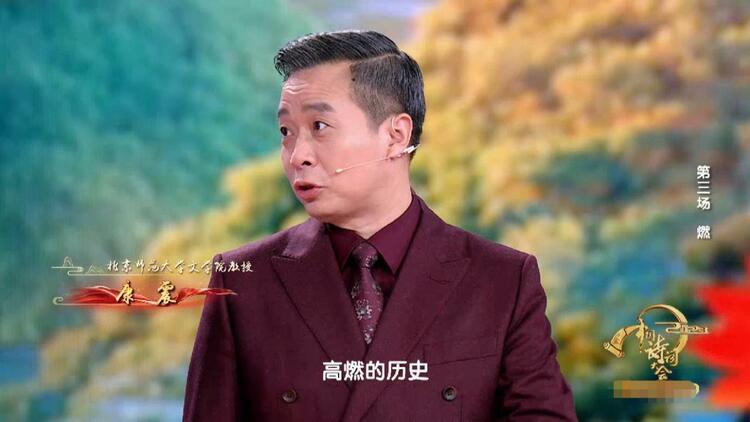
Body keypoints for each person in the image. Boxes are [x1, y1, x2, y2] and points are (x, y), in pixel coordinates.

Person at [183, 30, 577, 421]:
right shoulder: (243, 280)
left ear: (395, 136)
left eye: (319, 126)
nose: (297, 155)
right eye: (287, 132)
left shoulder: (502, 280)